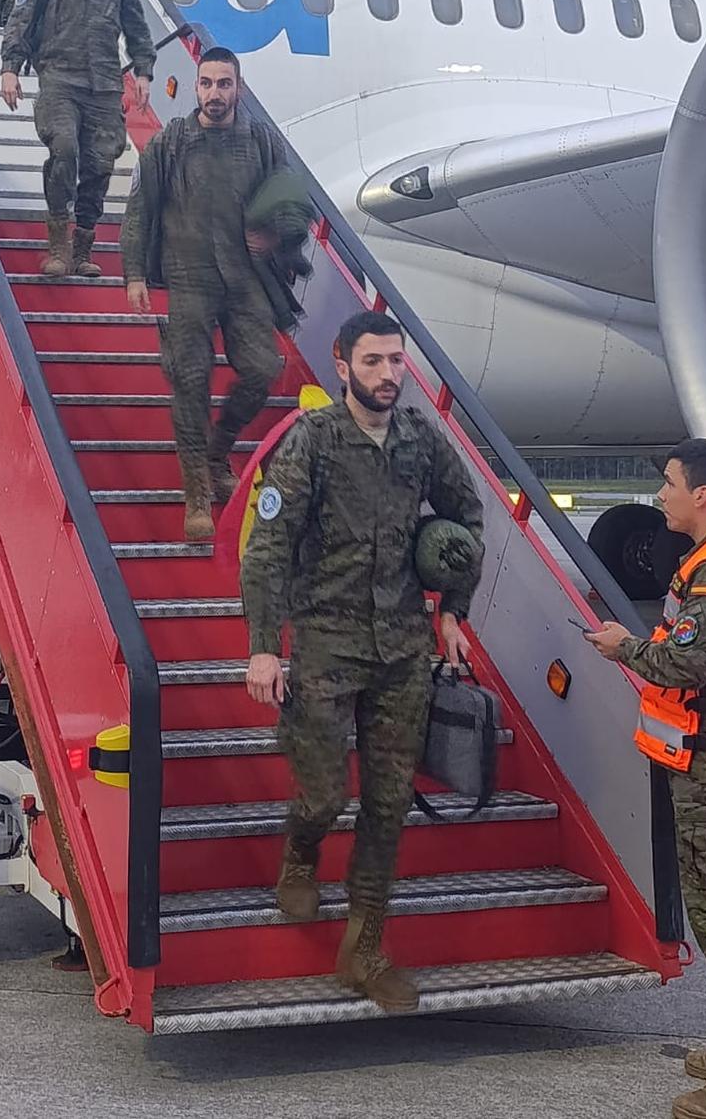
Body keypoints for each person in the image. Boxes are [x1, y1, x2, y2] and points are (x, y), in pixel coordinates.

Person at [241, 309, 484, 1013]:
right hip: (326, 642)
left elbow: (468, 517)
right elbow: (268, 547)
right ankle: (301, 849)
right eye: (373, 362)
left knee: (388, 801)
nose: (387, 374)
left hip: (403, 648)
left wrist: (452, 608)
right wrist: (264, 645)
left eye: (396, 361)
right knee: (325, 795)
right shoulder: (313, 439)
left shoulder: (420, 437)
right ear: (342, 365)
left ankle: (366, 948)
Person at [586, 440, 706, 1119]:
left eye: (670, 483)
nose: (661, 496)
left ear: (703, 495)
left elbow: (686, 662)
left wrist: (626, 647)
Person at [120, 49, 288, 541]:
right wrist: (134, 274)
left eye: (224, 84)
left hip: (243, 279)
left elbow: (290, 201)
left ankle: (218, 452)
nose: (215, 93)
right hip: (188, 277)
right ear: (196, 87)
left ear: (239, 88)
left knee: (263, 369)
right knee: (190, 381)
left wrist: (277, 235)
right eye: (207, 83)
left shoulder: (261, 142)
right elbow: (139, 209)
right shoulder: (171, 143)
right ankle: (196, 492)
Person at [0, 0, 155, 278]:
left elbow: (136, 25)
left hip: (104, 84)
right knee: (65, 148)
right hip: (60, 79)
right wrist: (10, 68)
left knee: (100, 165)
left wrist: (143, 71)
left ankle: (83, 248)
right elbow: (21, 20)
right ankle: (58, 245)